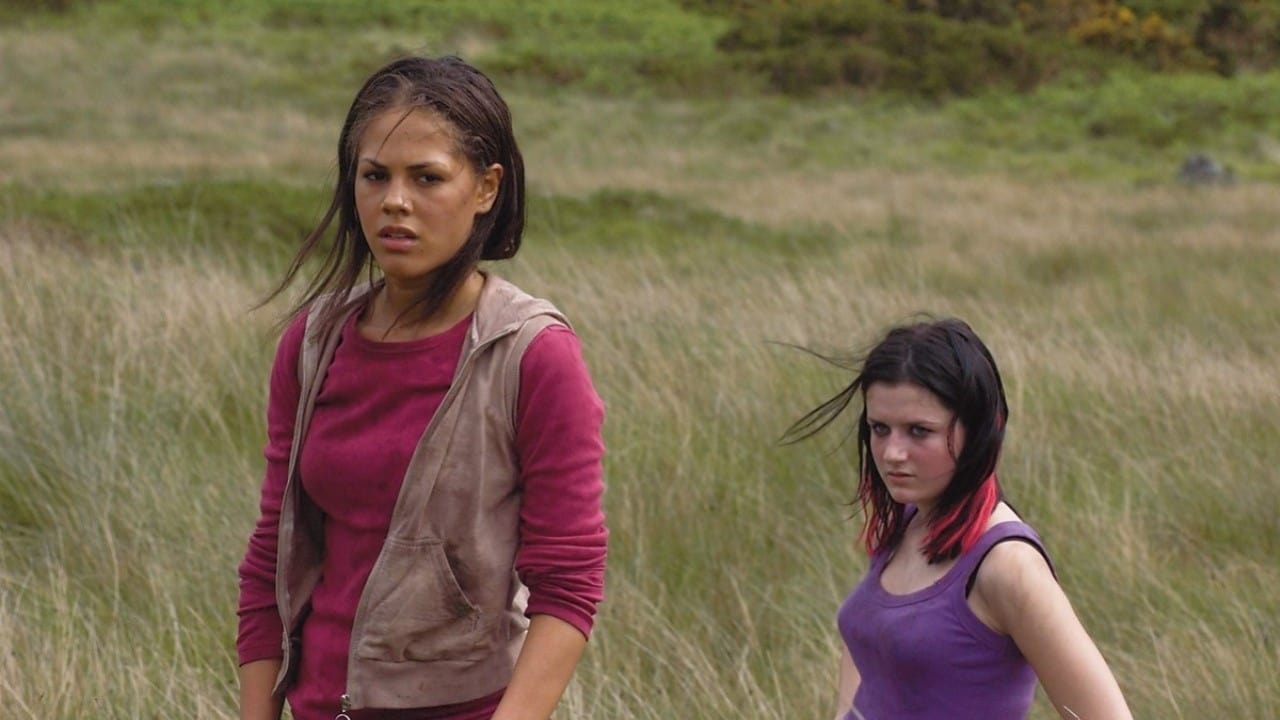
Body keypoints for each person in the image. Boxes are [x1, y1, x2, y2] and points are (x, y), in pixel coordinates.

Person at [236, 55, 607, 720]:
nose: (395, 202)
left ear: (486, 187)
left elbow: (569, 584)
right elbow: (273, 556)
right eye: (375, 175)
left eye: (427, 177)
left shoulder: (532, 354)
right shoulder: (313, 344)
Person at [783, 318, 1132, 720]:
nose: (892, 453)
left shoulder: (1009, 567)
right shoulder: (907, 522)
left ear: (978, 431)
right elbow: (867, 646)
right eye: (880, 428)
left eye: (919, 431)